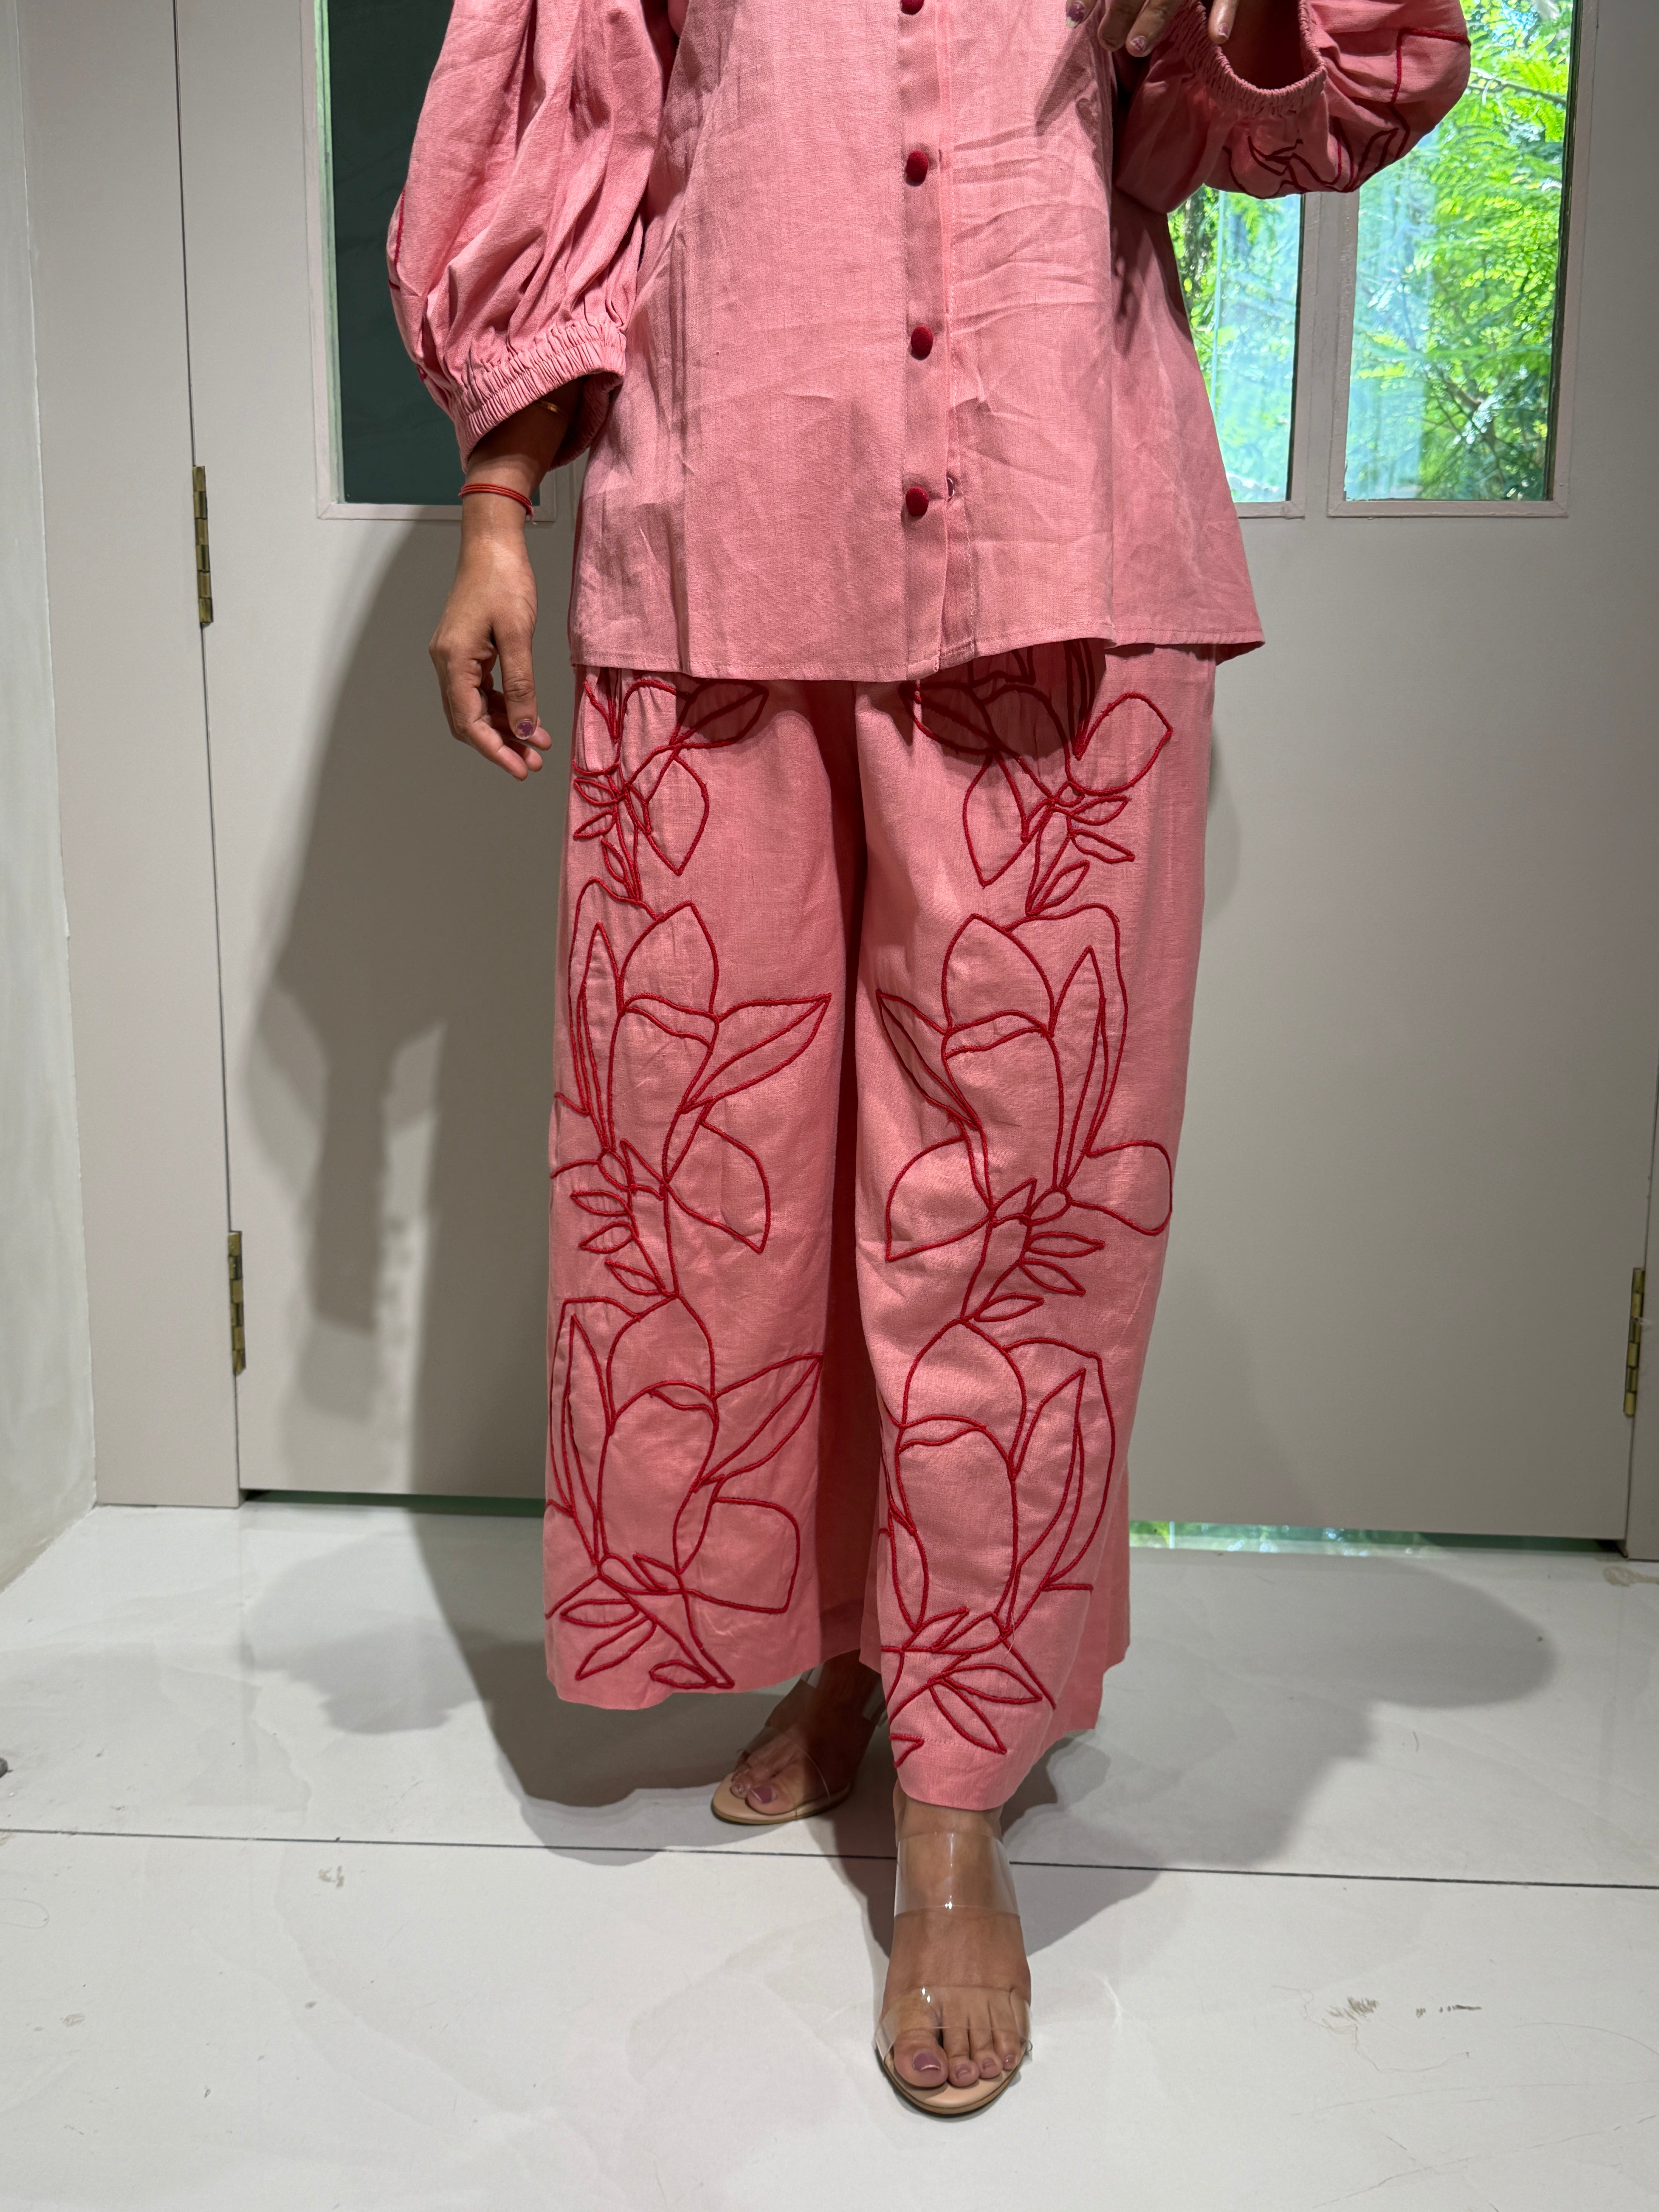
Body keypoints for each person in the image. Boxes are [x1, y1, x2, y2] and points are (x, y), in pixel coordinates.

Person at [391, 0, 1468, 2114]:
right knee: (733, 1200)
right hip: (721, 537)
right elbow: (573, 106)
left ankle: (960, 1785)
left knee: (1016, 1201)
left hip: (1062, 542)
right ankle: (843, 1653)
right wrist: (498, 508)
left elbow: (1298, 106)